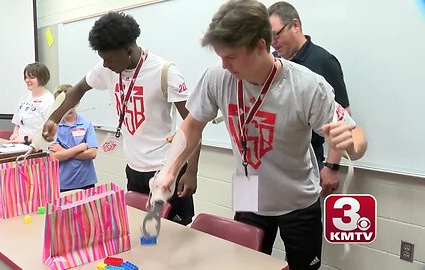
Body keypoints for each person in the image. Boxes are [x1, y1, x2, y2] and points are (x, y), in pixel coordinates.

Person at [157, 1, 367, 269]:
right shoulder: (217, 77)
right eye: (220, 56)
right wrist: (170, 169)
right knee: (246, 265)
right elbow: (192, 126)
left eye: (231, 56)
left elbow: (358, 138)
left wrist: (352, 144)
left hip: (298, 200)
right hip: (249, 194)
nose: (224, 65)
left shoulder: (307, 85)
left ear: (259, 45)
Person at [42, 12, 200, 225]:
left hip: (167, 169)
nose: (105, 65)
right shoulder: (107, 69)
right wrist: (54, 118)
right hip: (135, 169)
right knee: (141, 231)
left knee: (174, 234)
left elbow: (193, 125)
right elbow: (78, 89)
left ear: (128, 51)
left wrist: (191, 171)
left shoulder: (165, 72)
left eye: (108, 59)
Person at [268, 1, 351, 196]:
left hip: (306, 166)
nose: (273, 42)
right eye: (268, 38)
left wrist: (331, 167)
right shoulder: (269, 61)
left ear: (295, 25)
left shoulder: (323, 61)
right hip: (264, 165)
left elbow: (343, 116)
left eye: (276, 35)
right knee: (248, 222)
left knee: (301, 223)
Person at [48, 84, 98, 192]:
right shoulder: (53, 127)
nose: (67, 106)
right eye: (62, 103)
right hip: (62, 183)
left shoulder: (86, 124)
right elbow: (54, 157)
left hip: (86, 181)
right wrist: (80, 147)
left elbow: (92, 154)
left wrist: (64, 151)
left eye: (70, 102)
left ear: (77, 102)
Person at [11, 62, 54, 143]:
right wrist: (15, 134)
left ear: (42, 78)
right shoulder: (24, 98)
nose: (27, 80)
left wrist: (25, 139)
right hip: (20, 145)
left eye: (31, 78)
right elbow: (17, 123)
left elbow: (48, 132)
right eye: (26, 77)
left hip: (37, 146)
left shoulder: (49, 101)